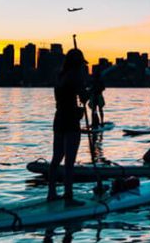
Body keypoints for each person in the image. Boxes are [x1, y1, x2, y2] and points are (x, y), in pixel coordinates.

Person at [47, 48, 89, 206]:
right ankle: (68, 196)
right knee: (69, 161)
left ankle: (51, 193)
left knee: (56, 158)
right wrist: (88, 89)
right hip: (71, 120)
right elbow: (84, 98)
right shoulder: (75, 76)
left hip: (59, 118)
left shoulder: (60, 75)